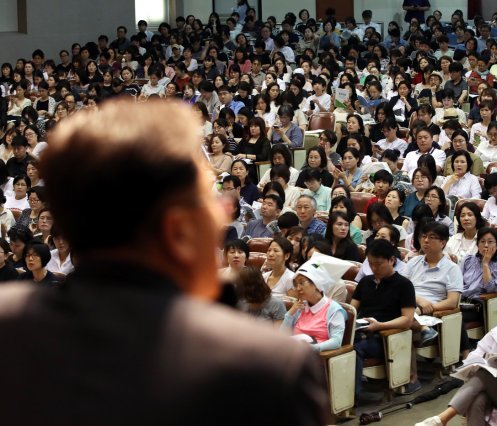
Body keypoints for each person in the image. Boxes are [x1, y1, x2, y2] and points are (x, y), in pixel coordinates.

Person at [0, 100, 329, 425]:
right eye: (208, 200)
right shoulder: (267, 368)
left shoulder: (11, 329)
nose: (223, 212)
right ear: (177, 227)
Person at [415, 282, 497, 426]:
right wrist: (478, 363)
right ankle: (440, 420)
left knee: (484, 375)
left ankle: (442, 419)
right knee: (478, 398)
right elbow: (476, 354)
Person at [351, 239, 417, 401]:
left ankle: (354, 394)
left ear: (392, 260)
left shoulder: (404, 285)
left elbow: (407, 320)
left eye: (379, 264)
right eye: (371, 264)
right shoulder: (366, 281)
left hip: (386, 337)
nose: (374, 268)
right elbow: (352, 311)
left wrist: (380, 326)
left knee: (355, 348)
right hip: (363, 330)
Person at [283, 252, 351, 352]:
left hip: (318, 358)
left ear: (316, 284)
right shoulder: (299, 306)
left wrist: (313, 348)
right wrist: (290, 313)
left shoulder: (334, 310)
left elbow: (337, 341)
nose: (298, 288)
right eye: (295, 284)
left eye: (302, 283)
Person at [460, 227, 497, 300]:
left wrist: (485, 264)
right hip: (460, 299)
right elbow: (457, 282)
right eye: (482, 241)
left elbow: (491, 289)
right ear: (477, 244)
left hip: (480, 303)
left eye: (490, 242)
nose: (486, 245)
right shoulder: (468, 260)